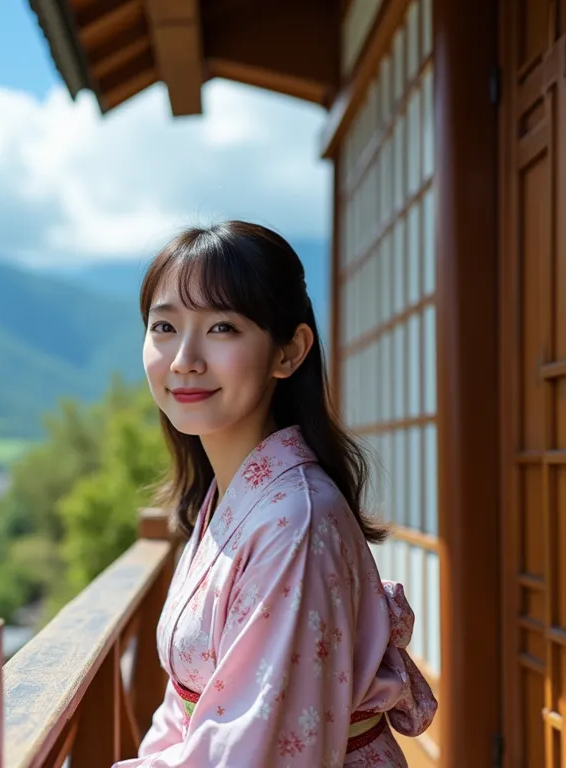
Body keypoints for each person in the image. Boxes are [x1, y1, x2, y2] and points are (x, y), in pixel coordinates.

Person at [115, 222, 436, 768]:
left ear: (289, 352)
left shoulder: (296, 519)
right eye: (164, 326)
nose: (184, 359)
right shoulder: (229, 497)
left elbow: (257, 749)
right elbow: (184, 707)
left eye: (221, 327)